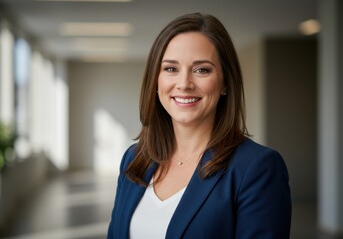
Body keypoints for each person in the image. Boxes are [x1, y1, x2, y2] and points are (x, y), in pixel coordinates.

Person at [107, 12, 291, 239]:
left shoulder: (257, 169)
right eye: (171, 69)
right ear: (156, 80)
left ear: (225, 83)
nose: (184, 84)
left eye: (201, 69)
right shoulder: (135, 159)